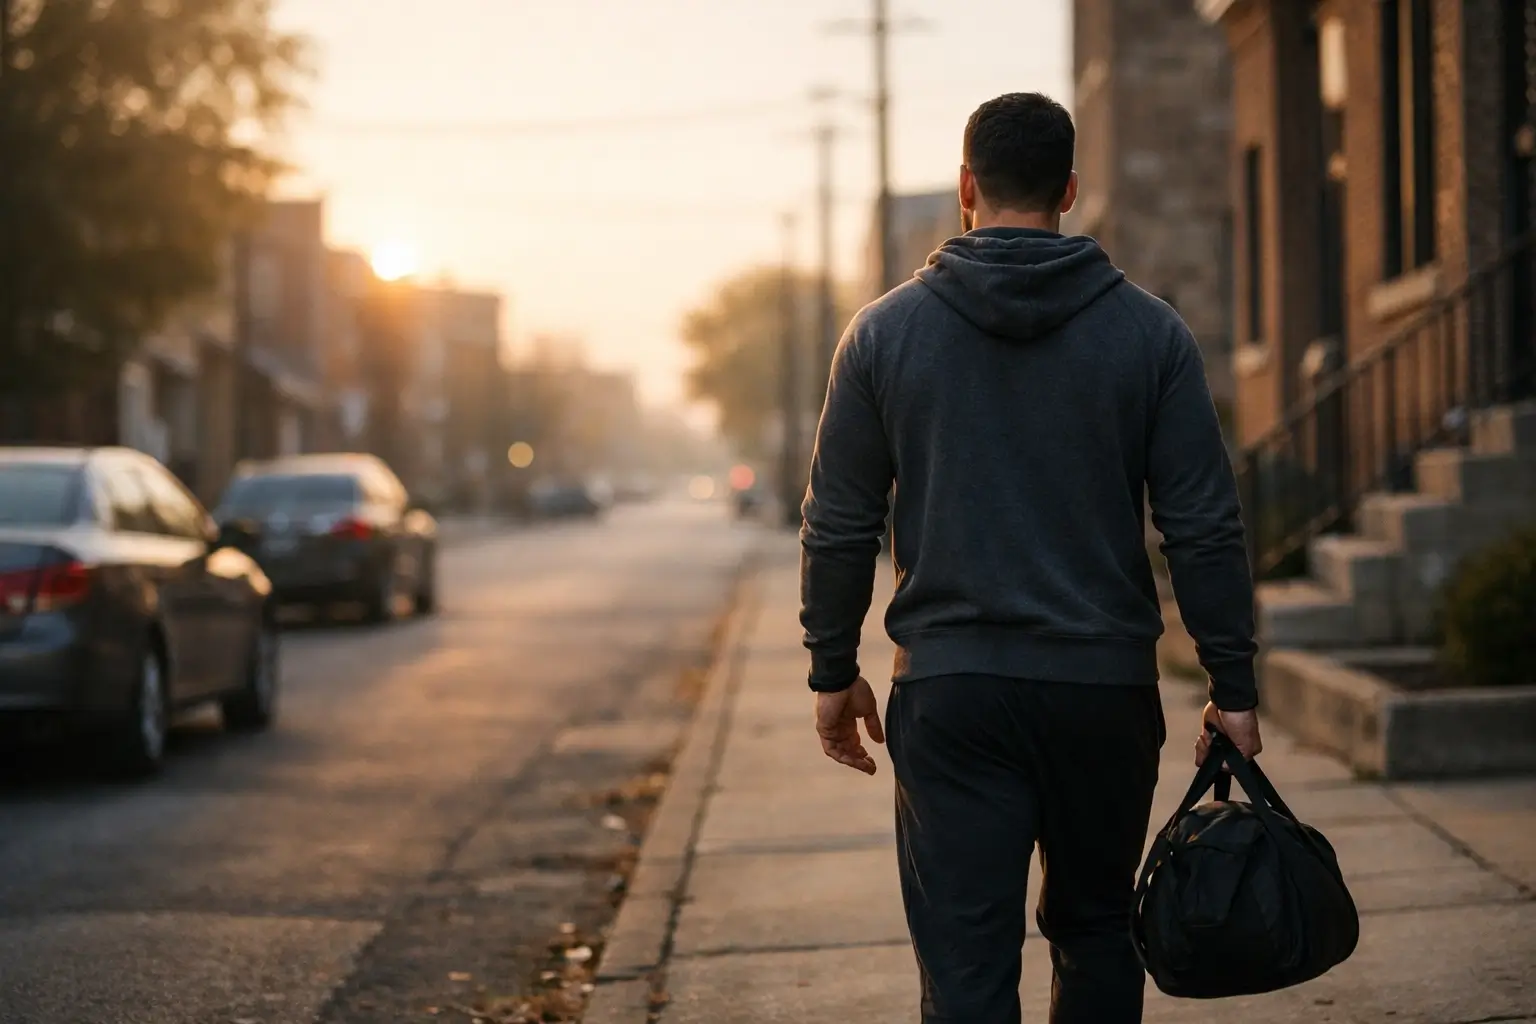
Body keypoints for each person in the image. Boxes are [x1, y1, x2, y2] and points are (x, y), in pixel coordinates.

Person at [798, 92, 1262, 1024]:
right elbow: (1204, 526)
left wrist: (832, 669)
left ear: (967, 187)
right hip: (1102, 694)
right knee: (1096, 936)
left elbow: (839, 521)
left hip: (953, 693)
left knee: (967, 964)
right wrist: (1235, 687)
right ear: (1072, 190)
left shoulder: (884, 335)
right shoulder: (1150, 334)